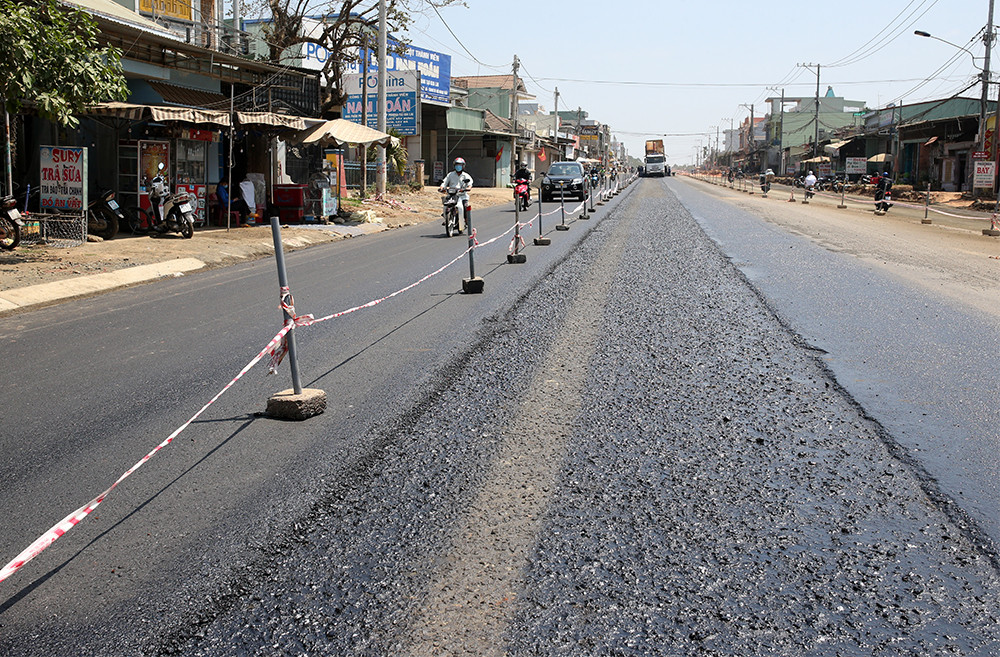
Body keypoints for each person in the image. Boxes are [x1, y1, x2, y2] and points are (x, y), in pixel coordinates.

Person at [439, 157, 473, 231]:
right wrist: (442, 187)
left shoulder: (466, 176)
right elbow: (444, 182)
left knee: (465, 206)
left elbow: (469, 184)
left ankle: (466, 221)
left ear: (463, 166)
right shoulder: (450, 175)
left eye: (460, 165)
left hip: (462, 196)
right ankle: (446, 218)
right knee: (445, 205)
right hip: (452, 194)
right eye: (457, 165)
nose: (458, 167)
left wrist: (467, 188)